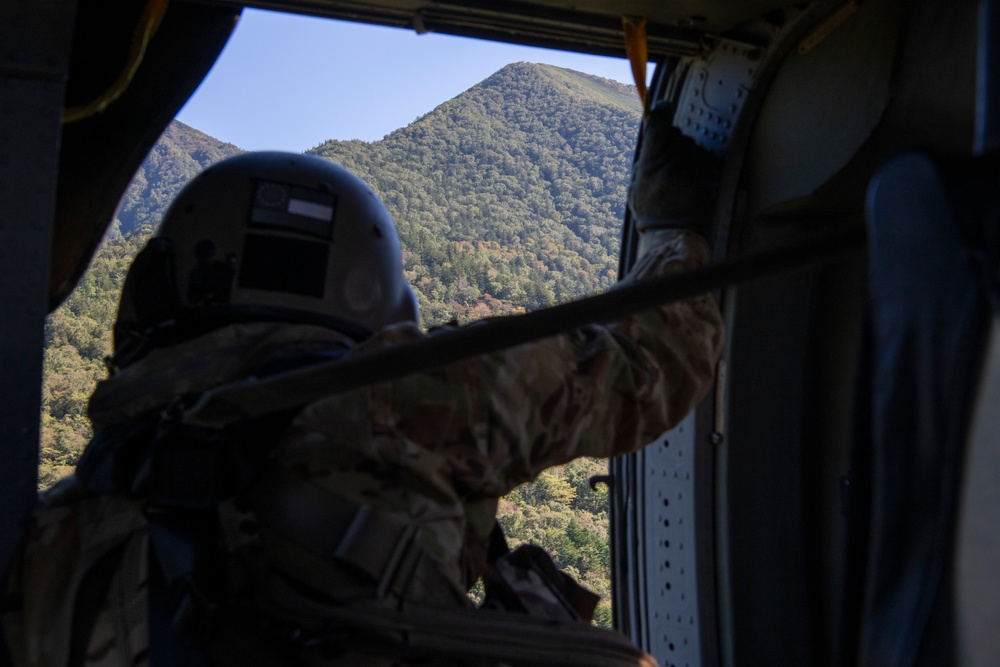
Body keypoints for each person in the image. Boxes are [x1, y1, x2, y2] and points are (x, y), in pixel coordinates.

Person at [3, 107, 723, 666]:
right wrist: (670, 226)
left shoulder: (49, 537)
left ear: (153, 294)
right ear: (377, 297)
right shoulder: (409, 396)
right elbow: (653, 365)